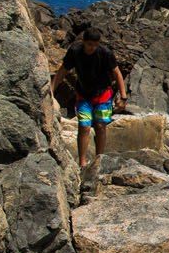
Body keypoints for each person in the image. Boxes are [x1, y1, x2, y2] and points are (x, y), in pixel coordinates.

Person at [51, 28, 127, 168]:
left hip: (103, 94)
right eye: (89, 44)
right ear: (84, 42)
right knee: (84, 126)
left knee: (100, 126)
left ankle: (99, 160)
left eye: (95, 44)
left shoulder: (105, 53)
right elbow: (62, 71)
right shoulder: (75, 51)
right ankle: (82, 163)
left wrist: (123, 96)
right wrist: (51, 91)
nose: (92, 47)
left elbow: (117, 73)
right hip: (83, 94)